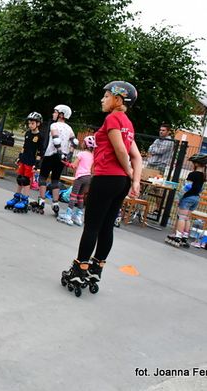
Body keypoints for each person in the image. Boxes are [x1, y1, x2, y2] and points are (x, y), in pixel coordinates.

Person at [61, 81, 142, 297]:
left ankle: (80, 269)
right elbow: (137, 156)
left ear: (118, 99)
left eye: (106, 96)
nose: (102, 99)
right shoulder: (128, 124)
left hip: (107, 178)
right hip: (121, 183)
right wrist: (134, 180)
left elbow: (121, 152)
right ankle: (96, 269)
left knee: (92, 226)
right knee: (107, 226)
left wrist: (130, 172)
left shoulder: (113, 118)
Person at [37, 104, 78, 216]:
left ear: (61, 114)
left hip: (51, 154)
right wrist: (68, 154)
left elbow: (56, 139)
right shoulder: (69, 128)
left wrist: (59, 150)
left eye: (55, 112)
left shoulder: (54, 125)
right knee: (55, 179)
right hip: (62, 157)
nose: (53, 114)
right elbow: (75, 142)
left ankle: (41, 201)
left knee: (43, 177)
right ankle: (55, 204)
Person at [5, 112, 44, 213]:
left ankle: (25, 199)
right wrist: (19, 157)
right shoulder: (28, 133)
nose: (30, 125)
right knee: (19, 179)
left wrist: (37, 163)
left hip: (31, 162)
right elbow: (24, 147)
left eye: (32, 123)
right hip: (24, 160)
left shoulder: (40, 136)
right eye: (29, 123)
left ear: (38, 124)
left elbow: (40, 152)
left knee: (26, 180)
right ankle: (17, 197)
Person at [165, 154, 206, 248]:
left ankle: (178, 236)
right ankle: (185, 236)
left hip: (188, 198)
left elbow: (187, 187)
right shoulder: (203, 176)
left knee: (181, 217)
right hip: (196, 198)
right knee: (187, 218)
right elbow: (201, 189)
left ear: (196, 163)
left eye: (193, 163)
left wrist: (178, 197)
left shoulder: (193, 174)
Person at [56, 135, 95, 226]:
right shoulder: (92, 156)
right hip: (88, 178)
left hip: (80, 178)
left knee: (73, 196)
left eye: (83, 142)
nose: (82, 143)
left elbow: (74, 165)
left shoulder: (81, 154)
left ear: (86, 145)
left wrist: (65, 163)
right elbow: (92, 170)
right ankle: (78, 216)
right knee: (80, 197)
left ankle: (68, 215)